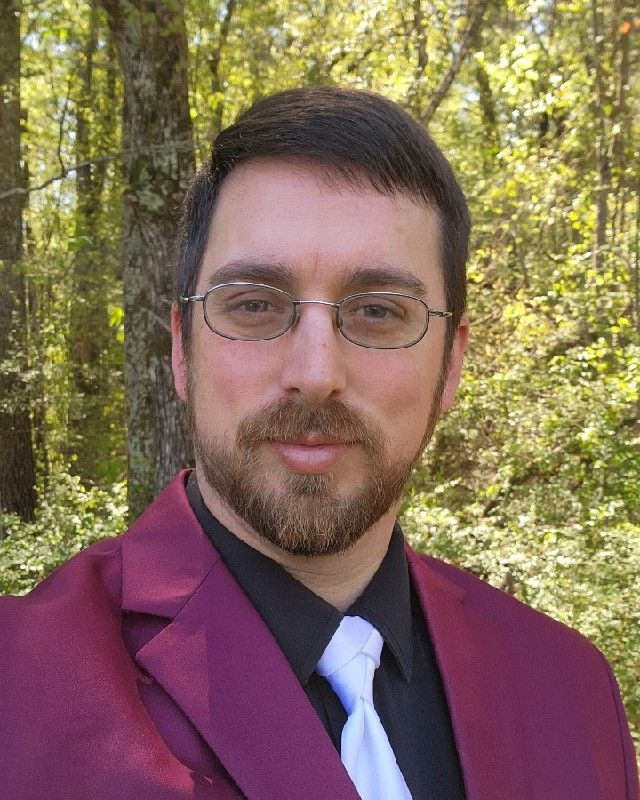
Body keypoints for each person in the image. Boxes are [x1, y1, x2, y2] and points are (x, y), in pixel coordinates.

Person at [0, 87, 637, 800]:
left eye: (376, 312)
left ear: (451, 366)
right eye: (253, 305)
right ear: (182, 350)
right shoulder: (17, 689)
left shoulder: (571, 690)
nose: (314, 374)